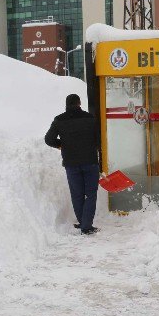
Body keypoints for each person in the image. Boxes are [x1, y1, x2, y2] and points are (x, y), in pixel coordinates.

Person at [45, 94, 100, 235]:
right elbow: (98, 139)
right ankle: (86, 226)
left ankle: (83, 223)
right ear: (79, 103)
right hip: (90, 161)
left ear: (66, 104)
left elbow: (49, 139)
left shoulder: (59, 120)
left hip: (71, 163)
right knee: (91, 194)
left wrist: (61, 144)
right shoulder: (89, 118)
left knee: (77, 194)